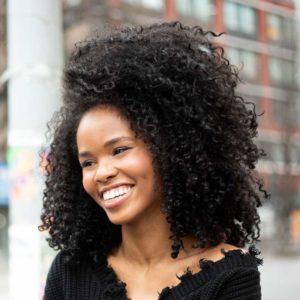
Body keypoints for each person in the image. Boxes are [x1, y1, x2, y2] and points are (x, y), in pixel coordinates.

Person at [40, 22, 267, 300]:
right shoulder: (70, 270)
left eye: (119, 150)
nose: (102, 173)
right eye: (88, 163)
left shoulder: (230, 275)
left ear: (172, 147)